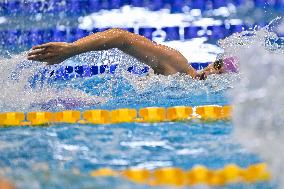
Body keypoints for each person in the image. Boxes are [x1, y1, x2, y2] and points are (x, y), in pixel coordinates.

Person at [27, 28, 236, 79]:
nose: (212, 72)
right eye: (217, 65)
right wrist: (72, 49)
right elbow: (121, 38)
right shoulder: (178, 68)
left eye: (222, 72)